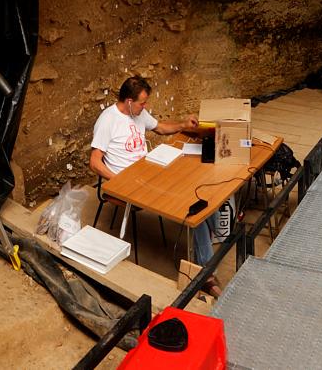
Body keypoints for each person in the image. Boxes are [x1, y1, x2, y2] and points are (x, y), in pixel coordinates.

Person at [89, 76, 222, 267]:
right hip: (130, 180)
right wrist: (119, 180)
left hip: (149, 170)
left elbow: (159, 127)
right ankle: (208, 268)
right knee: (190, 204)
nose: (145, 107)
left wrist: (183, 125)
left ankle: (217, 231)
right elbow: (94, 162)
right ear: (129, 101)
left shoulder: (137, 113)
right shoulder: (108, 120)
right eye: (142, 103)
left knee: (198, 185)